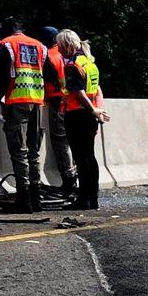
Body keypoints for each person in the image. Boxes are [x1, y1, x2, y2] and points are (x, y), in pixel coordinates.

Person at [0, 17, 48, 212]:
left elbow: (2, 79)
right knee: (33, 150)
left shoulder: (6, 45)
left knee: (18, 150)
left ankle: (24, 199)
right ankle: (36, 197)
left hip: (16, 101)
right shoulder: (40, 46)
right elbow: (52, 74)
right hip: (37, 101)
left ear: (7, 29)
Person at [57, 30, 109, 210]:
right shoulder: (90, 63)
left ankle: (83, 198)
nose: (60, 51)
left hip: (77, 114)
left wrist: (93, 109)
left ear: (67, 46)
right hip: (90, 116)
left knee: (81, 158)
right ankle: (92, 198)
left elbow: (78, 93)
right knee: (90, 156)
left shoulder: (72, 65)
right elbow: (98, 90)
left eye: (61, 47)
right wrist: (97, 110)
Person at [39, 25, 77, 194]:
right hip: (72, 102)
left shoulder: (49, 56)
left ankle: (68, 180)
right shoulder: (67, 56)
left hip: (57, 101)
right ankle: (75, 176)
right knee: (72, 142)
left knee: (60, 142)